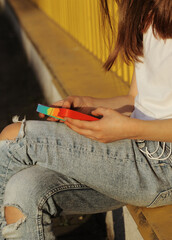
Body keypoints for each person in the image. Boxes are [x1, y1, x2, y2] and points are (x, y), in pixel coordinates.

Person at [0, 0, 172, 239]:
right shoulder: (144, 10)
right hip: (138, 150)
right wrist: (88, 105)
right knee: (24, 189)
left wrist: (129, 128)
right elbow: (136, 98)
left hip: (162, 165)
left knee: (13, 139)